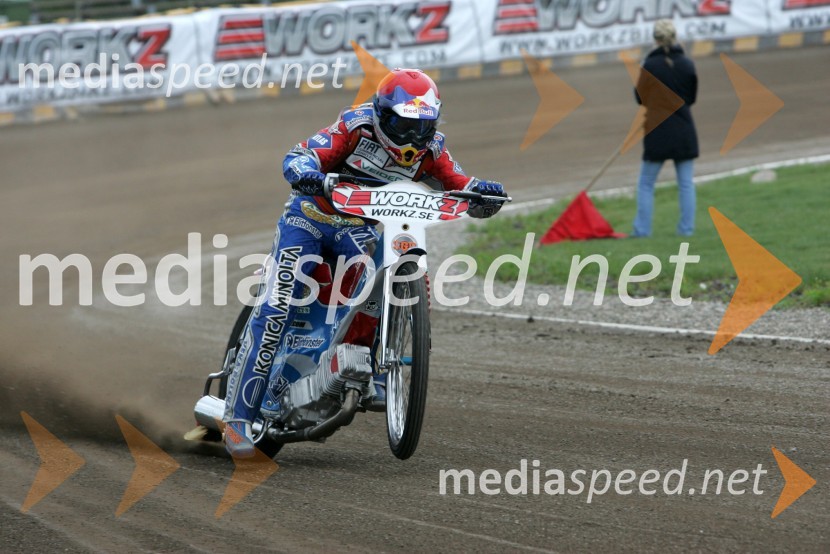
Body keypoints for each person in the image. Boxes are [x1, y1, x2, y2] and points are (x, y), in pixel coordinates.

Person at [223, 68, 508, 458]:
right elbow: (301, 154)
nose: (411, 137)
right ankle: (238, 415)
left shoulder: (433, 148)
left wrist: (482, 194)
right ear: (383, 114)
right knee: (276, 307)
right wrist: (306, 173)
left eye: (422, 125)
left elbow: (459, 183)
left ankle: (367, 364)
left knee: (377, 272)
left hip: (359, 232)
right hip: (308, 219)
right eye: (404, 124)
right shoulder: (354, 125)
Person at [631, 19, 699, 237]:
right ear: (675, 37)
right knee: (686, 184)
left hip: (657, 129)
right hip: (683, 128)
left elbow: (639, 98)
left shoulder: (650, 66)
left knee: (646, 184)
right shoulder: (687, 64)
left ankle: (642, 231)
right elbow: (691, 97)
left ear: (655, 40)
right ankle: (686, 230)